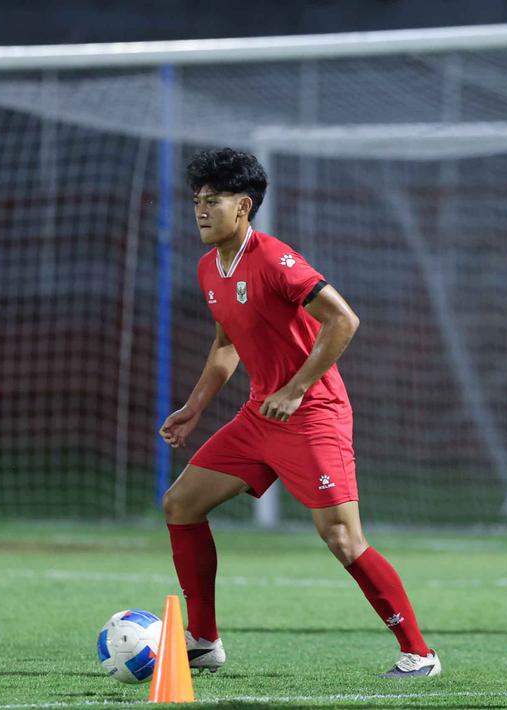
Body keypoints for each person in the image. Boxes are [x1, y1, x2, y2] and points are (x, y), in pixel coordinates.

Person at [158, 148, 441, 679]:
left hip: (313, 414)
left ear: (243, 207)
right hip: (260, 416)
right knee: (181, 504)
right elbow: (226, 343)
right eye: (196, 200)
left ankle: (420, 653)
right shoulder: (210, 267)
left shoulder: (273, 259)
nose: (199, 210)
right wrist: (194, 408)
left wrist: (295, 388)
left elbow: (343, 320)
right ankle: (203, 640)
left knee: (342, 538)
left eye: (212, 201)